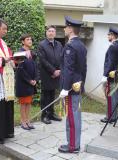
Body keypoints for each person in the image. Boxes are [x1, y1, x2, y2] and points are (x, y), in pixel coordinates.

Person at [58, 16, 87, 153]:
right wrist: (82, 85)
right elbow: (84, 68)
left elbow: (68, 69)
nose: (64, 29)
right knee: (75, 116)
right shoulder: (81, 45)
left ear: (70, 29)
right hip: (77, 86)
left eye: (65, 27)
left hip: (70, 88)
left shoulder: (70, 45)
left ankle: (73, 146)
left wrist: (65, 88)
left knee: (72, 117)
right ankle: (74, 143)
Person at [38, 25, 63, 124]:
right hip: (47, 74)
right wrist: (53, 71)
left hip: (57, 74)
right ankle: (44, 115)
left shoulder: (59, 44)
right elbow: (43, 60)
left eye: (53, 31)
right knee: (45, 96)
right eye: (49, 31)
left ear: (55, 33)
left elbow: (62, 58)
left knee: (53, 94)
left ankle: (51, 114)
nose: (51, 33)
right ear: (46, 33)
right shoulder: (42, 45)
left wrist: (59, 70)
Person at [100, 27, 118, 123]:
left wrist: (105, 76)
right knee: (114, 96)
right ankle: (113, 116)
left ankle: (110, 117)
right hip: (116, 76)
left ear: (113, 35)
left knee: (110, 97)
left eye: (109, 35)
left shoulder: (112, 47)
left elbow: (110, 63)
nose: (108, 36)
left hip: (111, 76)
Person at [15, 34, 38, 130]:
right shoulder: (20, 53)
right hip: (23, 83)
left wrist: (35, 79)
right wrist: (29, 80)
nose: (30, 41)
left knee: (28, 103)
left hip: (32, 83)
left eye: (30, 39)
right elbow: (20, 70)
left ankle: (28, 120)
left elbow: (36, 67)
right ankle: (23, 121)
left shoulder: (32, 53)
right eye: (27, 39)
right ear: (23, 42)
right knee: (23, 103)